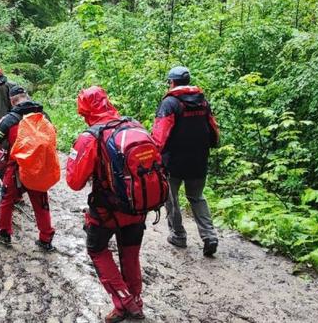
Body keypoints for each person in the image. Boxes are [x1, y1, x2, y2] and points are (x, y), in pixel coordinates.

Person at [66, 86, 146, 322]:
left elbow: (74, 181)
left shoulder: (91, 136)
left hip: (106, 211)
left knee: (97, 250)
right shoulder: (134, 126)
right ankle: (135, 301)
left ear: (84, 109)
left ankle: (125, 302)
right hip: (137, 206)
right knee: (130, 254)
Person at [152, 66, 220, 256]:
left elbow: (160, 135)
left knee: (171, 199)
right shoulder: (203, 102)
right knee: (197, 197)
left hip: (173, 161)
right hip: (199, 159)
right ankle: (209, 236)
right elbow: (213, 129)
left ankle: (179, 235)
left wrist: (154, 156)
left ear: (171, 82)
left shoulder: (170, 103)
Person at [0, 85, 55, 251]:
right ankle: (46, 238)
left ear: (12, 101)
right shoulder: (44, 116)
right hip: (37, 167)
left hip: (17, 168)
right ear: (26, 96)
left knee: (6, 199)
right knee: (41, 203)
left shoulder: (9, 120)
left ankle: (4, 233)